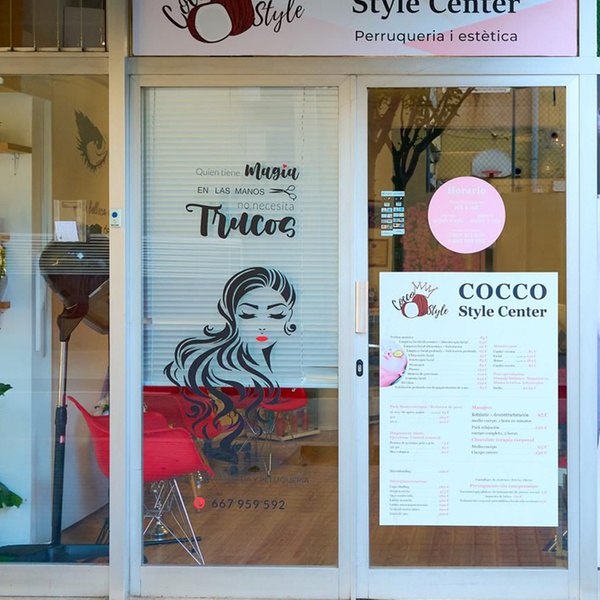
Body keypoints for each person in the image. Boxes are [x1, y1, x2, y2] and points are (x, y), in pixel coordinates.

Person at [164, 266, 297, 459]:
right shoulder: (212, 361)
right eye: (248, 313)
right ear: (231, 315)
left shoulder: (287, 355)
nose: (262, 324)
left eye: (276, 314)